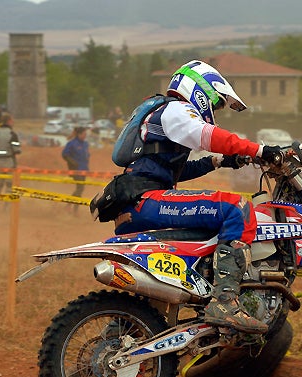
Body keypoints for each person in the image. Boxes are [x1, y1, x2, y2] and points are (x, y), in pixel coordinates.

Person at [94, 60, 282, 334]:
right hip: (146, 201)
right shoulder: (175, 109)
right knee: (236, 207)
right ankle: (225, 302)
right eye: (217, 103)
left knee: (150, 307)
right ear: (200, 89)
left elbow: (173, 171)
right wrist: (261, 151)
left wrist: (220, 162)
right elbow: (209, 136)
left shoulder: (163, 115)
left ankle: (112, 342)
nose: (215, 110)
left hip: (135, 205)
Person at [0, 112, 21, 210]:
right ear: (9, 121)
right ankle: (6, 208)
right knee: (9, 186)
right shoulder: (12, 134)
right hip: (9, 162)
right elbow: (17, 150)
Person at [62, 126, 90, 213]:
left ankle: (71, 207)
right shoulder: (72, 143)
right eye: (84, 134)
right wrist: (73, 163)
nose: (85, 135)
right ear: (79, 134)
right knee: (80, 188)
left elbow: (87, 155)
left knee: (80, 189)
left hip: (84, 169)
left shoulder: (85, 144)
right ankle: (71, 207)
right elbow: (64, 154)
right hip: (76, 170)